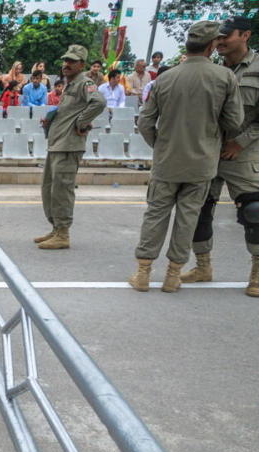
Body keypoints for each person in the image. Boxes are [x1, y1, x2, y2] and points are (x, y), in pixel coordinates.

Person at [128, 21, 244, 293]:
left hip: (167, 160)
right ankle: (172, 276)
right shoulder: (225, 77)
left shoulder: (164, 79)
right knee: (188, 218)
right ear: (211, 44)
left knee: (155, 215)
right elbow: (235, 121)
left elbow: (145, 123)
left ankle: (143, 274)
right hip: (202, 162)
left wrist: (161, 146)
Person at [178, 16, 259, 297]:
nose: (221, 40)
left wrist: (241, 141)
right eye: (218, 37)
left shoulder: (258, 69)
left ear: (245, 35)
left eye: (227, 35)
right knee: (198, 209)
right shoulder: (208, 69)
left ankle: (257, 273)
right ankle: (202, 266)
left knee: (254, 211)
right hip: (207, 152)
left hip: (243, 154)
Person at [34, 45, 106, 250]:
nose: (66, 64)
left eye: (72, 61)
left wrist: (81, 122)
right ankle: (56, 228)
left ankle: (63, 233)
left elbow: (99, 103)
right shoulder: (70, 84)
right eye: (66, 60)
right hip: (57, 143)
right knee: (50, 188)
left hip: (68, 145)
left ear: (82, 64)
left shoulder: (85, 83)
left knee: (62, 189)